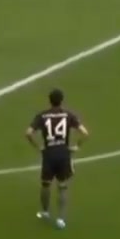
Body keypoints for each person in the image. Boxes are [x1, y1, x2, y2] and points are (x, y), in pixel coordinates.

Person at [26, 88, 87, 229]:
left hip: (49, 153)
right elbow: (85, 133)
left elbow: (28, 133)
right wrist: (77, 146)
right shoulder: (68, 115)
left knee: (45, 184)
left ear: (49, 100)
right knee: (62, 186)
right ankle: (61, 219)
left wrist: (38, 147)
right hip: (63, 153)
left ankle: (45, 212)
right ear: (62, 101)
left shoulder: (42, 116)